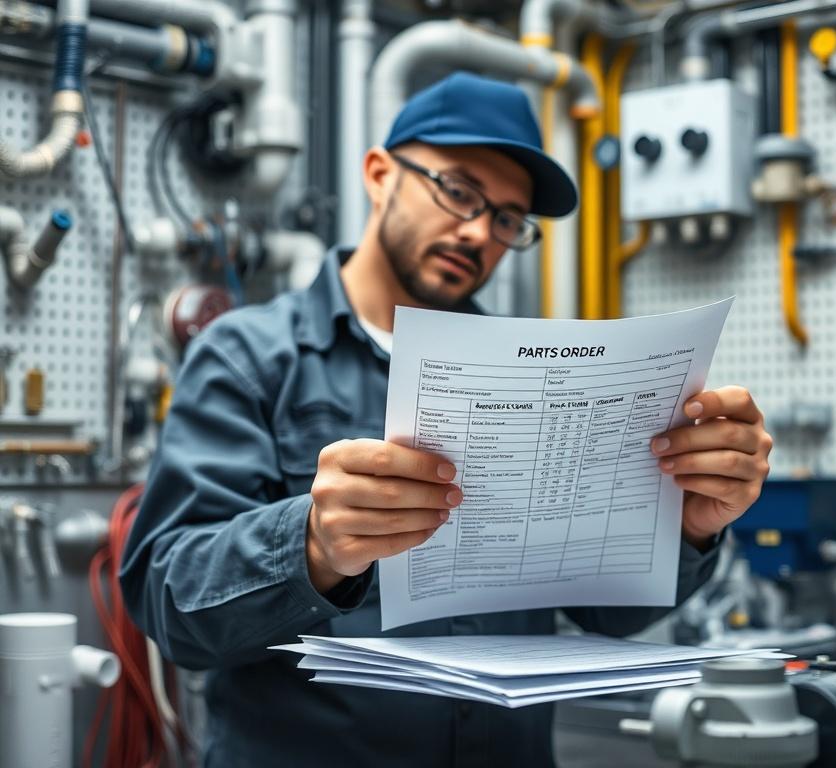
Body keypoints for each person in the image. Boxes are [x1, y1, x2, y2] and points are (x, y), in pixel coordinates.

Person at [120, 71, 773, 767]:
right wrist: (311, 545)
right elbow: (171, 600)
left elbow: (605, 613)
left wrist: (690, 529)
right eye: (459, 191)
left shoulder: (541, 378)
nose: (477, 232)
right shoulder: (250, 356)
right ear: (379, 174)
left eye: (507, 220)